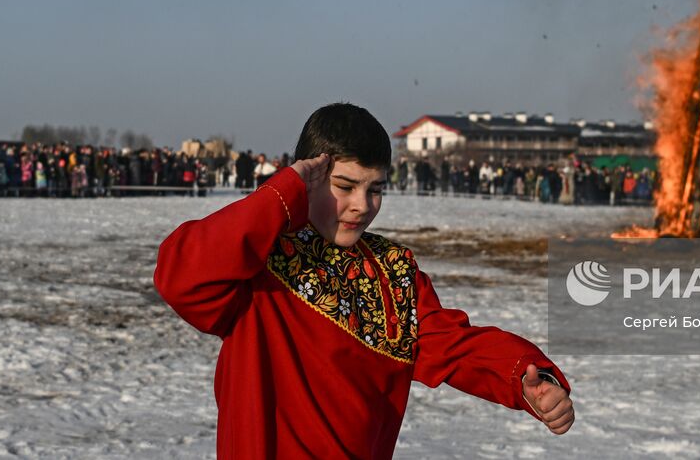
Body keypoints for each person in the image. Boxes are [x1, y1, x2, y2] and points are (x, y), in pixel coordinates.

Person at [154, 102, 574, 459]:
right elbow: (182, 275)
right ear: (305, 179)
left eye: (375, 189)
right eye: (344, 186)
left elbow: (453, 345)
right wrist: (281, 195)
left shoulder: (393, 270)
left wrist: (523, 378)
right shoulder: (259, 262)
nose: (361, 206)